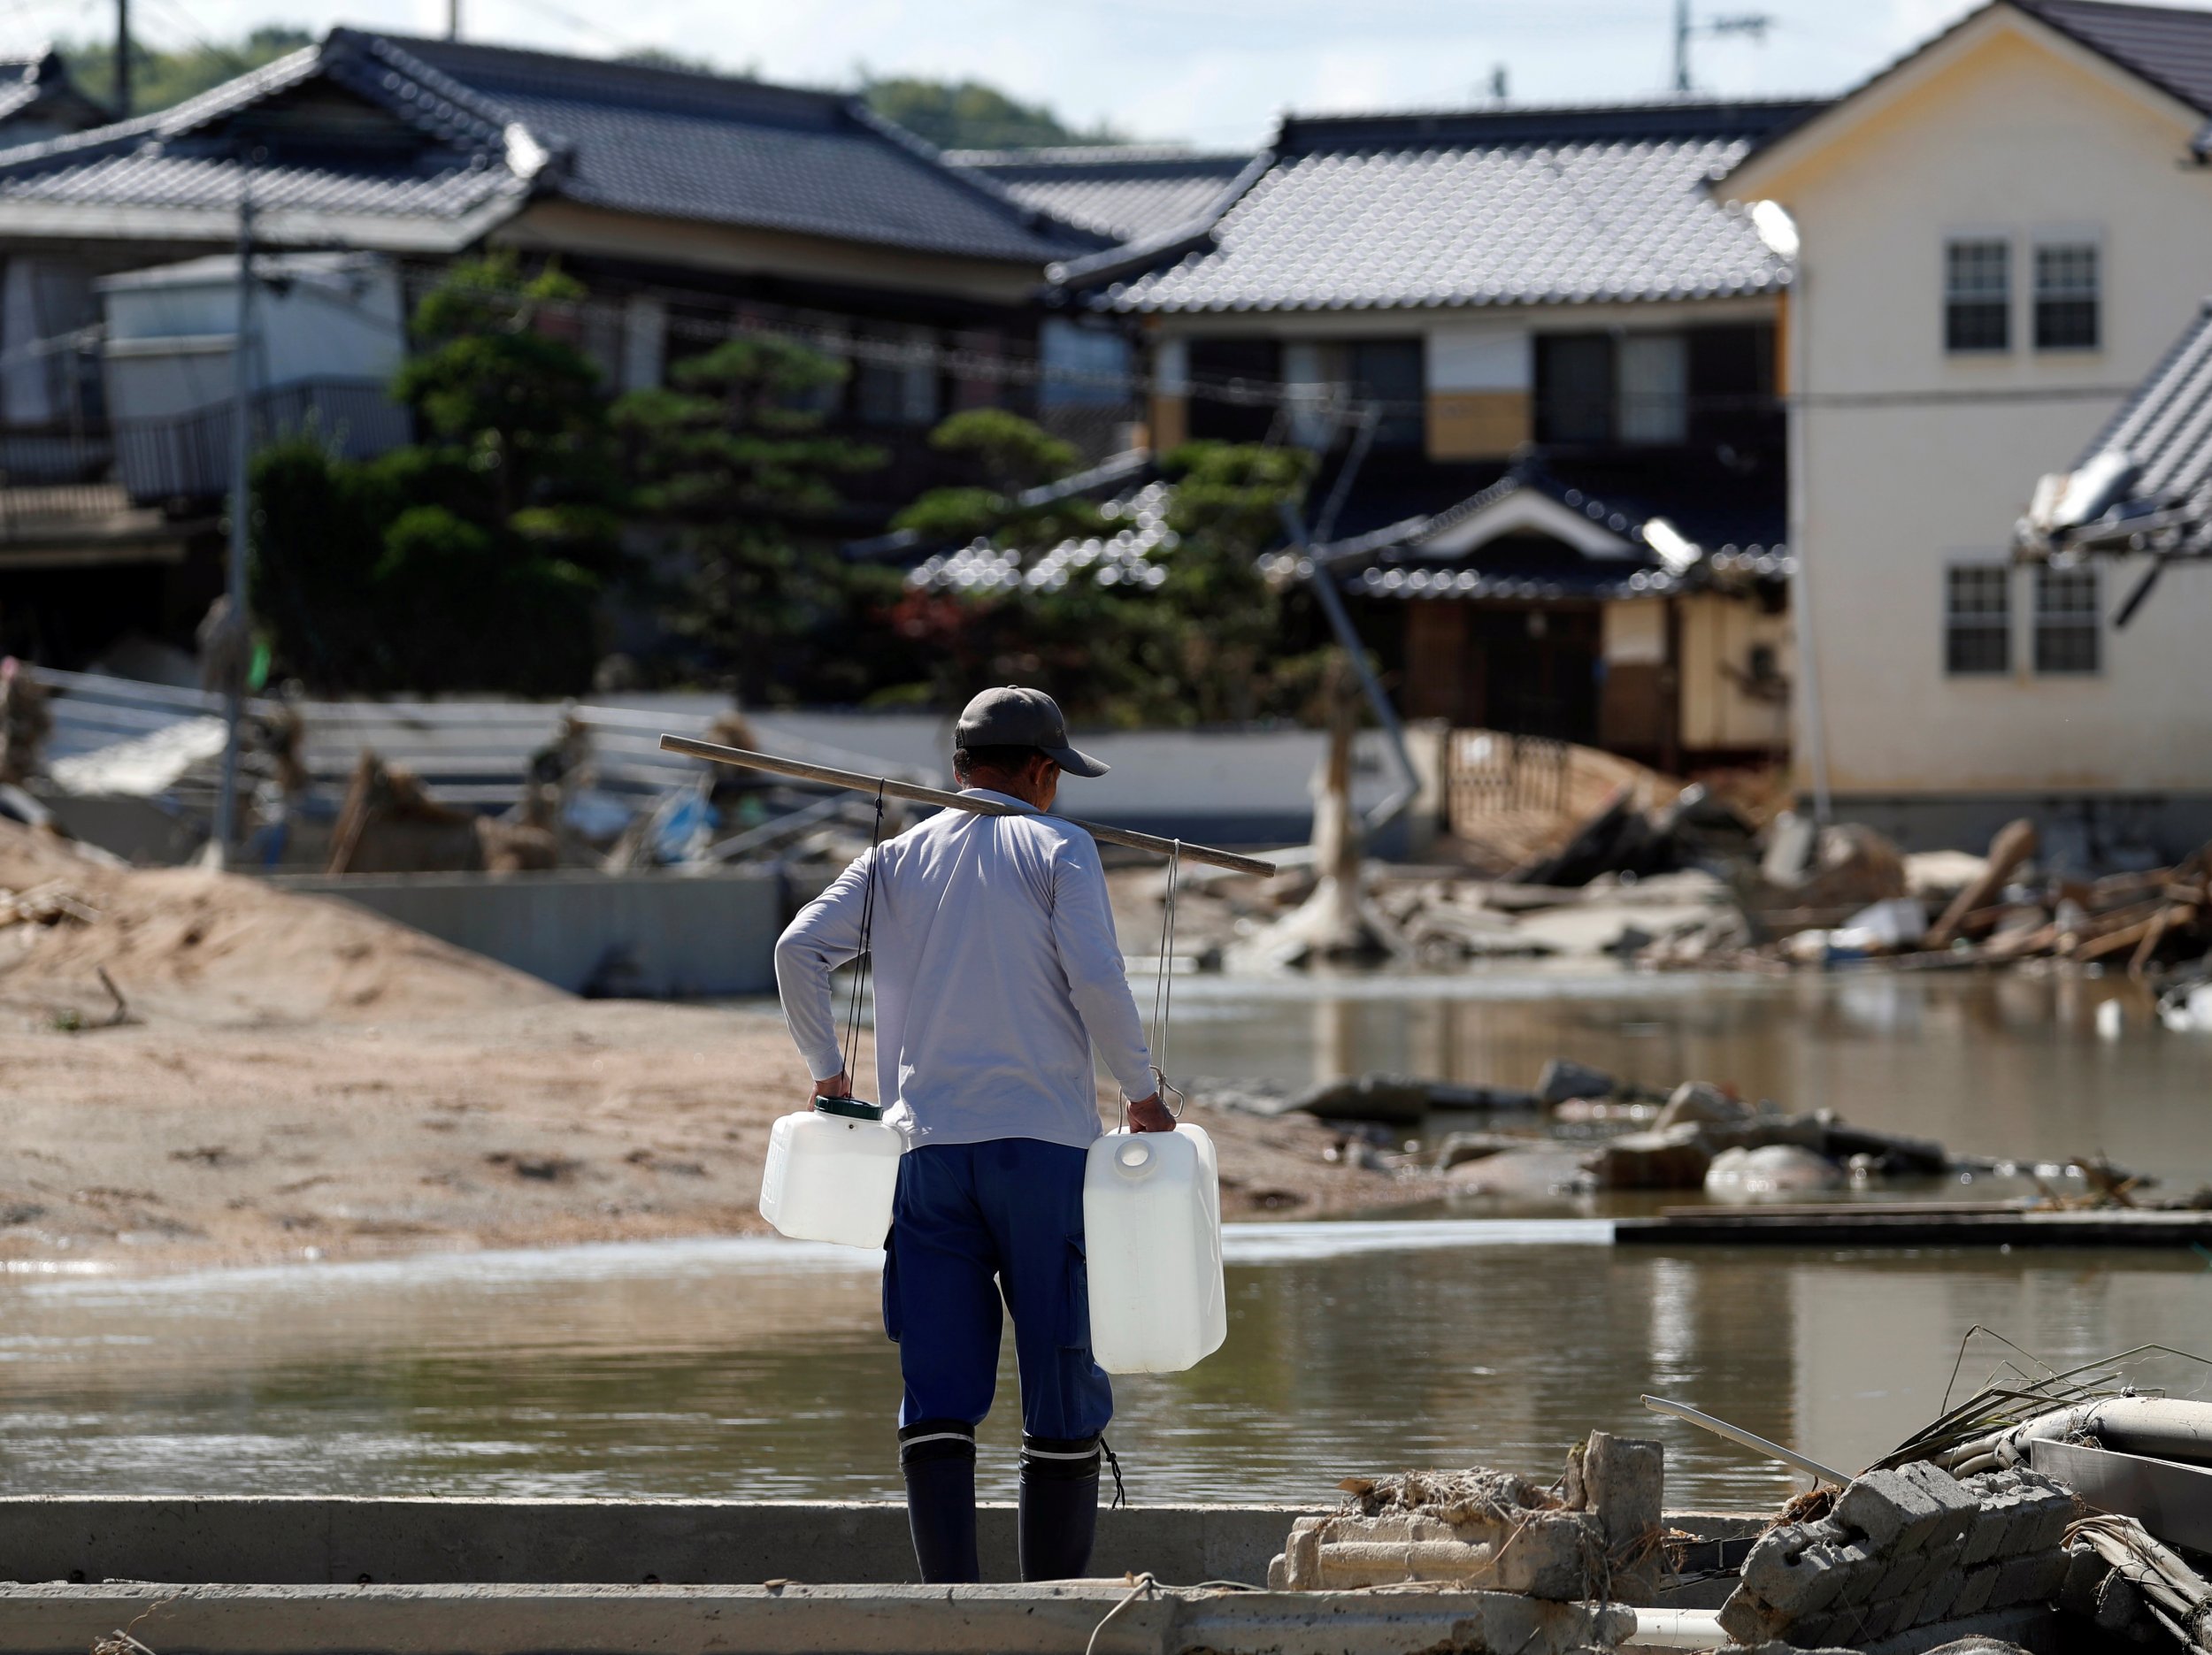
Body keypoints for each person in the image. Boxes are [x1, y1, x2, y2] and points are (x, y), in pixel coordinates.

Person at [774, 686, 1174, 1585]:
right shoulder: (1057, 845)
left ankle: (947, 1608)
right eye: (1056, 775)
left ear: (960, 767)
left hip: (928, 1159)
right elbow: (1098, 978)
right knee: (1062, 1382)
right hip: (1042, 1152)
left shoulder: (895, 856)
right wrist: (1142, 1092)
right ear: (1038, 770)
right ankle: (1051, 1605)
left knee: (939, 1390)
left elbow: (798, 947)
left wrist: (829, 1072)